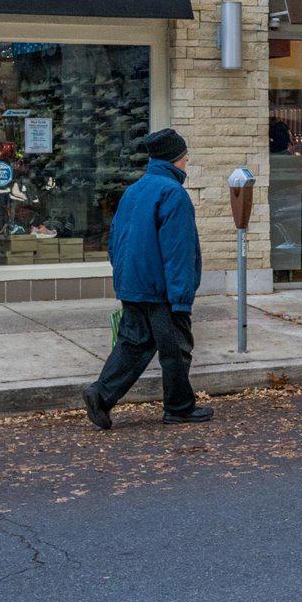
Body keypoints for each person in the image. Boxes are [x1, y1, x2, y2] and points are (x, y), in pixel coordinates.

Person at [83, 128, 212, 427]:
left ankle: (101, 395)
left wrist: (123, 278)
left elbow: (115, 239)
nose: (187, 162)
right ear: (175, 160)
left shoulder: (135, 190)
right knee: (176, 349)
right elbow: (178, 251)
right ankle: (179, 407)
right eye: (185, 157)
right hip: (161, 289)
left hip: (133, 284)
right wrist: (181, 298)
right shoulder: (173, 194)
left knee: (134, 343)